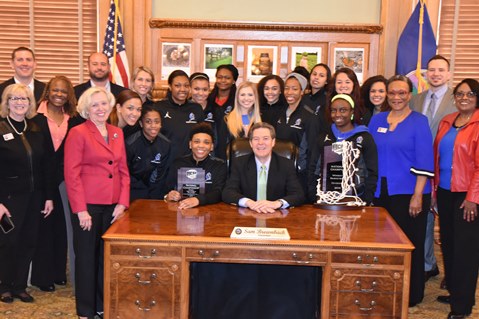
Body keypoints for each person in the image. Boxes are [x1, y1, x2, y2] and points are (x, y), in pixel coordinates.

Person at [195, 123, 316, 319]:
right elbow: (228, 192)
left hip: (276, 226)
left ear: (274, 142)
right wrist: (250, 203)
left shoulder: (285, 164)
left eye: (265, 139)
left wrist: (276, 203)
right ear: (250, 143)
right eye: (256, 139)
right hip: (246, 224)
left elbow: (298, 194)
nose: (261, 143)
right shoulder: (240, 162)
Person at [64, 87, 130, 319]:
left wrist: (122, 203)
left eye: (104, 103)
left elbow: (123, 171)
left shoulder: (116, 133)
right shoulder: (78, 133)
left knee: (106, 259)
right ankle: (85, 310)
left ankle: (103, 306)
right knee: (86, 259)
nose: (100, 109)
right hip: (88, 207)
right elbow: (71, 174)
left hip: (112, 207)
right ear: (86, 109)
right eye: (95, 105)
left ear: (111, 105)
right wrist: (81, 210)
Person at [369, 75, 434, 307]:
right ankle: (385, 289)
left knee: (409, 245)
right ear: (386, 94)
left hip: (409, 194)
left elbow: (425, 162)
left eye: (402, 93)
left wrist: (418, 195)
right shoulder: (376, 120)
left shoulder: (419, 121)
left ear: (410, 95)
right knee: (383, 245)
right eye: (392, 93)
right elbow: (368, 154)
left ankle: (411, 294)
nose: (396, 97)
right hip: (380, 193)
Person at [0, 84, 54, 304]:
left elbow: (48, 164)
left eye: (24, 98)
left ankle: (20, 286)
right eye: (14, 98)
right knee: (8, 242)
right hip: (9, 199)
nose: (19, 102)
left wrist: (49, 196)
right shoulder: (0, 127)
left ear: (30, 102)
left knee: (28, 242)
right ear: (6, 102)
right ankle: (4, 286)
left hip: (35, 198)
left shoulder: (36, 128)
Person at [31, 76, 84, 293]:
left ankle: (57, 273)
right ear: (47, 91)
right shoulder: (35, 116)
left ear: (69, 94)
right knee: (44, 227)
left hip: (65, 180)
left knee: (62, 229)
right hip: (42, 179)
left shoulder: (74, 118)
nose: (59, 94)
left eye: (64, 91)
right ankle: (41, 277)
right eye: (55, 90)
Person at [432, 79, 479, 319]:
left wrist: (473, 198)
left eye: (470, 94)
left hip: (468, 197)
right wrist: (433, 192)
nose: (464, 97)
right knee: (448, 245)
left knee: (466, 251)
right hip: (445, 191)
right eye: (460, 94)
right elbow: (436, 159)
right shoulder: (447, 121)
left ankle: (461, 308)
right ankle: (457, 291)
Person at [410, 55, 457, 286]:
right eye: (431, 70)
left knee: (450, 225)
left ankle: (454, 273)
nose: (435, 73)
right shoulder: (416, 99)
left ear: (448, 74)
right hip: (420, 169)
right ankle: (428, 264)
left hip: (448, 168)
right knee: (424, 218)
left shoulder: (457, 100)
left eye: (441, 70)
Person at [307, 93, 378, 204]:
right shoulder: (323, 137)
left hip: (355, 200)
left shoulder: (364, 137)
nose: (337, 114)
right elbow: (313, 167)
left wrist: (366, 199)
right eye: (333, 110)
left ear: (352, 112)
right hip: (325, 200)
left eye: (343, 110)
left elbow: (372, 172)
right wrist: (314, 196)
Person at [165, 122, 226, 208]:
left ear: (212, 147)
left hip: (209, 212)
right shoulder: (178, 163)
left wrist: (198, 200)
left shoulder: (219, 165)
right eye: (196, 141)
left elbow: (219, 192)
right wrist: (168, 196)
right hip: (180, 210)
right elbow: (166, 189)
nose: (201, 146)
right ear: (190, 144)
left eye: (206, 142)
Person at [275, 72, 319, 190]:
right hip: (279, 169)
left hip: (299, 172)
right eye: (287, 88)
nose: (289, 92)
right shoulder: (280, 113)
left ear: (302, 91)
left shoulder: (309, 116)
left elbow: (312, 149)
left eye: (294, 89)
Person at [154, 70, 205, 162]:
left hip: (190, 163)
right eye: (177, 86)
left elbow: (203, 136)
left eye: (186, 85)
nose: (182, 89)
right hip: (165, 162)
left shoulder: (196, 108)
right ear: (170, 87)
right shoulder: (158, 107)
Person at [125, 104, 171, 200]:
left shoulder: (166, 144)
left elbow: (160, 173)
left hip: (154, 190)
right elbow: (125, 172)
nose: (153, 126)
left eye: (157, 122)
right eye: (148, 122)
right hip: (132, 189)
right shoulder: (130, 143)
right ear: (141, 124)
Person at [215, 81, 262, 160]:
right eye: (242, 95)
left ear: (255, 97)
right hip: (233, 167)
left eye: (250, 95)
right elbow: (221, 150)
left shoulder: (261, 121)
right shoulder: (226, 120)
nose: (246, 98)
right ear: (237, 97)